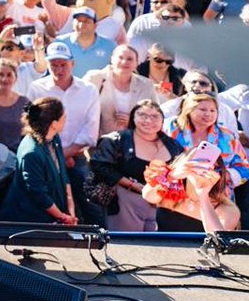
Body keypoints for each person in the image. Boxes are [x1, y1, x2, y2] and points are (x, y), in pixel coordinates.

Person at [28, 42, 103, 224]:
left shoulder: (89, 90)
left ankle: (103, 239)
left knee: (92, 205)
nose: (58, 69)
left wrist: (63, 155)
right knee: (48, 205)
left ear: (73, 64)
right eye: (54, 64)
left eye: (63, 64)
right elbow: (33, 125)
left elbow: (90, 131)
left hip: (76, 158)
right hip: (46, 158)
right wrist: (58, 157)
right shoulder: (36, 88)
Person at [90, 100, 183, 232]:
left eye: (155, 116)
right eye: (142, 115)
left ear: (163, 120)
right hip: (125, 202)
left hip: (162, 205)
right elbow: (100, 166)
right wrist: (131, 184)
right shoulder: (116, 140)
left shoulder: (173, 145)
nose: (149, 120)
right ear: (133, 118)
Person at [0, 97, 77, 224]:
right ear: (53, 123)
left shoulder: (54, 138)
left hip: (55, 216)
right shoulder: (31, 153)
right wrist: (63, 217)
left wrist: (71, 211)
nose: (66, 119)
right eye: (63, 117)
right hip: (30, 221)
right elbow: (39, 194)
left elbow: (63, 175)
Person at [82, 45, 156, 135]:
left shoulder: (146, 85)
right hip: (98, 142)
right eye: (120, 57)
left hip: (133, 142)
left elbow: (155, 116)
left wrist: (134, 121)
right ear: (112, 59)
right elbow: (78, 107)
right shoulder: (94, 78)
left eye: (130, 59)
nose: (124, 62)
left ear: (136, 63)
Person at [59, 7, 117, 77]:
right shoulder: (61, 42)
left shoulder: (110, 46)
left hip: (98, 87)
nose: (81, 25)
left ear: (95, 25)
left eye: (87, 21)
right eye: (78, 20)